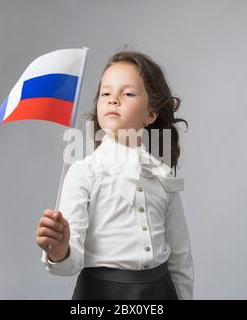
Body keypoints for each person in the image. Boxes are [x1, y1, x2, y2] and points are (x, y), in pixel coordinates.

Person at [36, 50, 194, 299]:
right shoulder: (84, 173)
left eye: (128, 93)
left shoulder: (162, 174)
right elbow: (70, 264)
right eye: (105, 93)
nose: (113, 100)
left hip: (160, 293)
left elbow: (180, 256)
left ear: (150, 115)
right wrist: (60, 250)